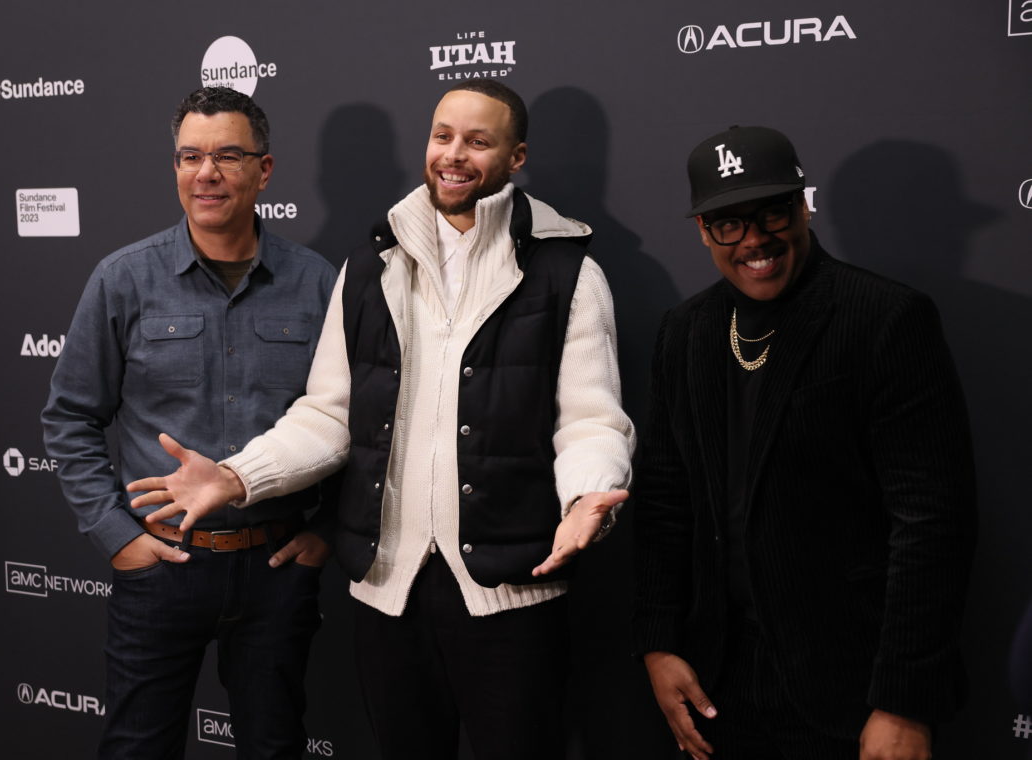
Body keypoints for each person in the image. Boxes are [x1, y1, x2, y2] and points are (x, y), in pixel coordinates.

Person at [127, 80, 636, 760]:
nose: (453, 155)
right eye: (442, 135)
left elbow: (591, 421)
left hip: (510, 589)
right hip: (387, 591)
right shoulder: (371, 265)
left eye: (478, 142)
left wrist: (585, 494)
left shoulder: (568, 271)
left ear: (515, 158)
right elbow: (328, 415)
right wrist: (235, 476)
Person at [632, 125, 976, 760]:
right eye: (729, 224)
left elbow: (932, 524)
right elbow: (663, 499)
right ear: (705, 232)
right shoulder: (686, 331)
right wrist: (660, 643)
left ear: (803, 206)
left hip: (853, 691)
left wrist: (902, 700)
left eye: (773, 213)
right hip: (718, 684)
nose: (757, 239)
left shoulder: (884, 318)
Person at [42, 86, 336, 759]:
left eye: (228, 156)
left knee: (274, 745)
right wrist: (116, 536)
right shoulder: (124, 279)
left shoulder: (317, 283)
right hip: (161, 567)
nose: (207, 173)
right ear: (175, 167)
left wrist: (327, 530)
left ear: (264, 171)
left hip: (276, 567)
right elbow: (69, 417)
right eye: (190, 156)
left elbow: (351, 421)